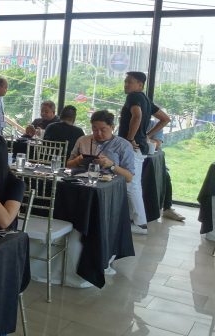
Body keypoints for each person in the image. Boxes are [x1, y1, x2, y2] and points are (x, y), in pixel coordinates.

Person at [66, 110, 143, 233]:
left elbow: (129, 177)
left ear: (112, 127)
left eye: (103, 130)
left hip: (109, 191)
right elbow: (68, 165)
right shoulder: (83, 140)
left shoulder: (123, 145)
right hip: (83, 187)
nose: (98, 133)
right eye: (94, 129)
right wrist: (78, 160)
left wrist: (111, 165)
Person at [117, 72, 170, 233]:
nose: (126, 84)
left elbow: (137, 115)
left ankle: (140, 224)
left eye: (130, 82)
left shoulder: (133, 97)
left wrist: (130, 138)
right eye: (125, 81)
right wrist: (147, 135)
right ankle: (133, 220)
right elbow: (165, 119)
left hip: (133, 147)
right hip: (139, 146)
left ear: (140, 85)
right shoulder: (145, 99)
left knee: (132, 185)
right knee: (133, 184)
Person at [147, 120, 186, 222]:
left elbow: (156, 143)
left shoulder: (154, 124)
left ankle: (167, 208)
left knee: (165, 175)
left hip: (152, 161)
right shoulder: (129, 122)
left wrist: (141, 140)